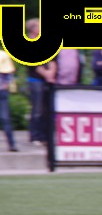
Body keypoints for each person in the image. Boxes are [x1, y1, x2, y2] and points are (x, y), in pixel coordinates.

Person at [25, 18, 56, 146]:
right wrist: (46, 74)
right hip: (35, 80)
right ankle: (35, 136)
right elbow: (33, 63)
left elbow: (52, 58)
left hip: (47, 80)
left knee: (46, 108)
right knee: (37, 109)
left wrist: (51, 72)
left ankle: (45, 135)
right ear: (33, 29)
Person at [0, 48, 17, 151]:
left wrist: (6, 85)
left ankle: (12, 144)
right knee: (6, 119)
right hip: (2, 90)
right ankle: (12, 145)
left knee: (6, 119)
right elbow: (10, 75)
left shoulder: (3, 55)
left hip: (2, 91)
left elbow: (9, 75)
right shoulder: (4, 55)